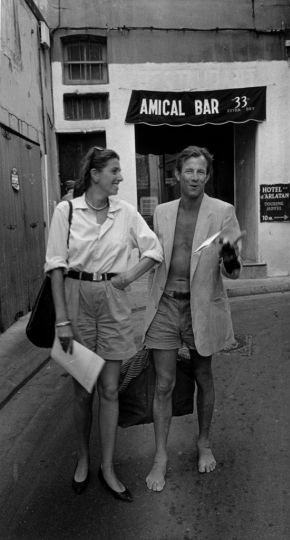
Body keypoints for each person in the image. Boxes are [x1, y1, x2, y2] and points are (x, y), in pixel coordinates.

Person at [45, 146, 163, 501]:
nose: (120, 177)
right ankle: (83, 459)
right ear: (94, 174)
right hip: (75, 298)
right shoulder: (66, 211)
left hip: (113, 300)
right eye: (114, 171)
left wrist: (128, 277)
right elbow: (55, 266)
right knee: (83, 391)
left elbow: (154, 249)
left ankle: (108, 467)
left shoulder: (126, 213)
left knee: (110, 390)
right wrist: (62, 320)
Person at [143, 145, 243, 492]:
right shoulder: (162, 212)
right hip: (166, 305)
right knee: (163, 384)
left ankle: (203, 442)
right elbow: (153, 256)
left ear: (207, 176)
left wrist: (229, 254)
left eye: (201, 172)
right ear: (177, 175)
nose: (195, 177)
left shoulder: (223, 211)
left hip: (202, 307)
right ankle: (160, 455)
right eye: (189, 171)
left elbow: (232, 274)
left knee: (203, 374)